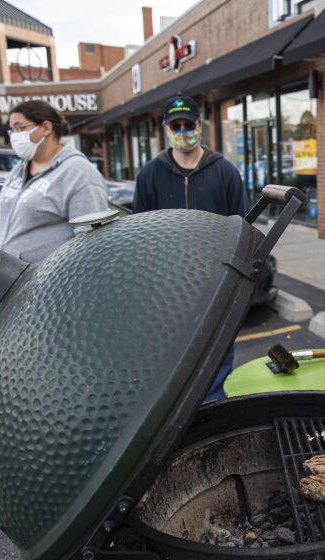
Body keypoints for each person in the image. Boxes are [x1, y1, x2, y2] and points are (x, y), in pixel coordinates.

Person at [132, 94, 250, 402]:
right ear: (167, 129)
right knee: (172, 365)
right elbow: (138, 233)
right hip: (167, 290)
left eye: (188, 124)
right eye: (176, 125)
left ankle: (216, 419)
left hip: (215, 285)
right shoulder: (150, 175)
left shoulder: (224, 171)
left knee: (217, 360)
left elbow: (245, 228)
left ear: (200, 125)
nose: (183, 131)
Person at [0, 100, 109, 264]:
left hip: (48, 284)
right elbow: (1, 223)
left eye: (20, 128)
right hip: (7, 280)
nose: (14, 137)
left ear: (46, 128)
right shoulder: (19, 169)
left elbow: (91, 243)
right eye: (12, 130)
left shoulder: (78, 172)